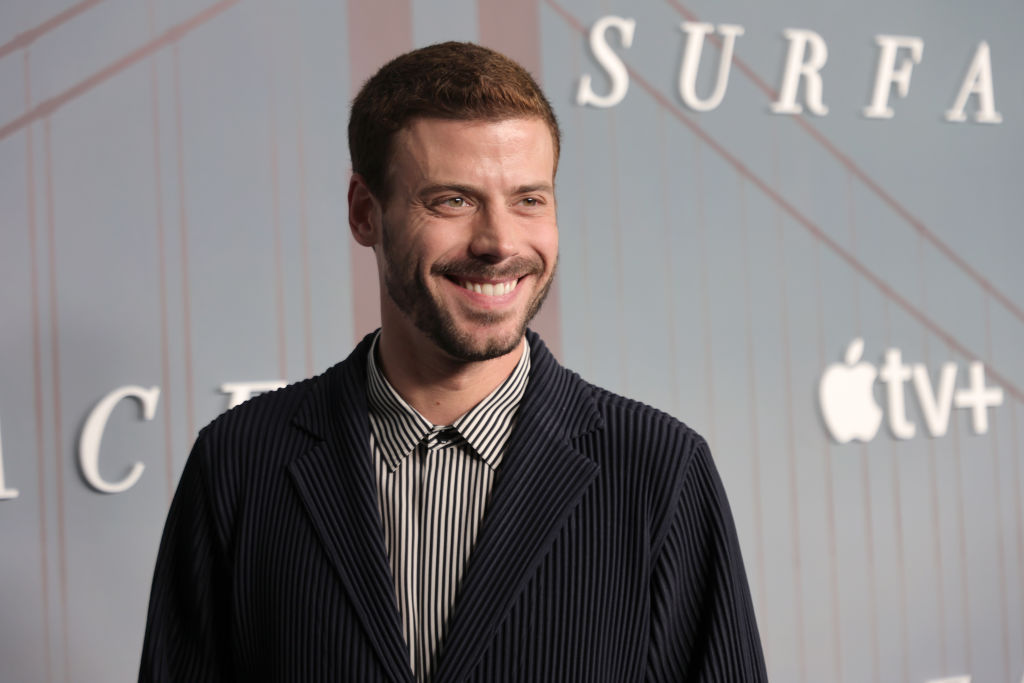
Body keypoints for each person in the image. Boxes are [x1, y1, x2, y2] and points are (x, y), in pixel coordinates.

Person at [139, 41, 767, 682]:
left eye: (529, 199)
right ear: (364, 212)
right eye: (453, 201)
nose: (499, 242)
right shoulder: (238, 463)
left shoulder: (660, 469)